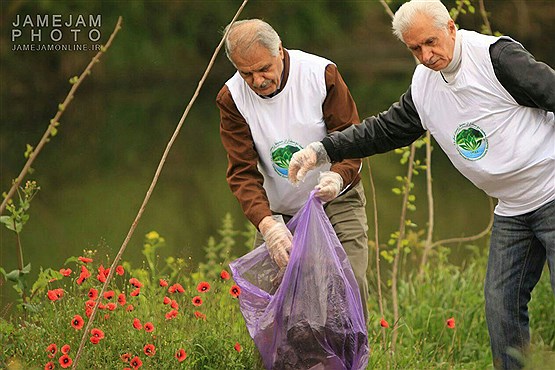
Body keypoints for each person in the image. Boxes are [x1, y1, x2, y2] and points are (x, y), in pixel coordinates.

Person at [288, 1, 555, 369]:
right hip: (512, 208)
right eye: (415, 49)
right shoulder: (425, 85)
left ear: (451, 27)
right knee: (501, 306)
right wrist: (322, 150)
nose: (427, 55)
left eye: (431, 42)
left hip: (552, 190)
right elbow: (384, 130)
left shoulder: (496, 57)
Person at [216, 19, 370, 319]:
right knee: (274, 301)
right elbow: (242, 173)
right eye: (246, 73)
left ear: (280, 52)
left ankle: (349, 362)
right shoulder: (232, 98)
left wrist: (338, 177)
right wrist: (268, 225)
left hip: (336, 197)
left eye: (264, 69)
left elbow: (353, 141)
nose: (258, 80)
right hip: (280, 210)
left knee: (349, 282)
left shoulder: (320, 74)